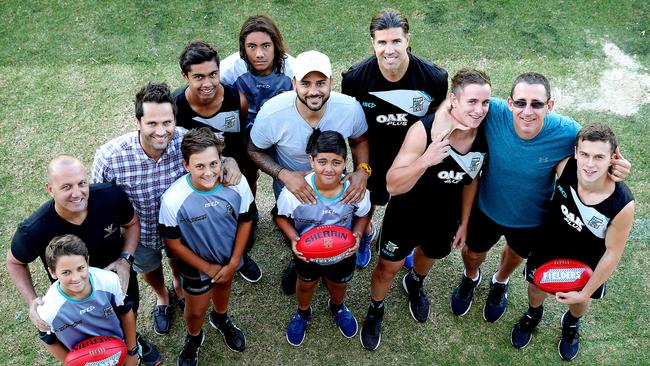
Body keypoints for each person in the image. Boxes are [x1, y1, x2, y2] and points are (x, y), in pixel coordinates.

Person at [448, 73, 631, 323]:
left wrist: (616, 166)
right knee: (472, 253)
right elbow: (455, 105)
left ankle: (500, 281)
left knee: (515, 254)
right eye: (521, 103)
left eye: (537, 104)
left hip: (531, 219)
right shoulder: (491, 111)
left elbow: (596, 150)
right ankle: (471, 277)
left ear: (550, 106)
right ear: (510, 103)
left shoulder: (568, 132)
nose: (527, 111)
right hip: (486, 208)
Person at [92, 82, 242, 336]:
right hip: (141, 234)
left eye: (167, 123)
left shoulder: (185, 139)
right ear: (137, 121)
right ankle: (162, 297)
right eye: (152, 123)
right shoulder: (110, 157)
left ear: (175, 119)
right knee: (149, 269)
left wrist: (231, 161)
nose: (161, 131)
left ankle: (179, 287)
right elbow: (99, 201)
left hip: (182, 230)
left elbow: (214, 156)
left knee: (176, 261)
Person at [360, 68, 491, 350]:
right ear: (453, 101)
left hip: (444, 219)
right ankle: (375, 309)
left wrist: (464, 223)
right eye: (472, 102)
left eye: (484, 103)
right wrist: (426, 159)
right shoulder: (423, 131)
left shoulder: (483, 136)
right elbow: (393, 184)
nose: (479, 110)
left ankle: (415, 283)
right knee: (387, 268)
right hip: (406, 215)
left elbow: (471, 180)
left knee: (428, 257)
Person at [6, 156, 160, 365]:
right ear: (50, 189)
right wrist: (32, 300)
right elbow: (15, 262)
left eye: (82, 183)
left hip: (117, 279)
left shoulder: (109, 196)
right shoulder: (35, 229)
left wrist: (125, 259)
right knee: (88, 336)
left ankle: (133, 343)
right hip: (74, 295)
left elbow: (132, 223)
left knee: (127, 312)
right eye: (66, 187)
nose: (77, 193)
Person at [248, 50, 369, 295]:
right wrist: (283, 174)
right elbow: (254, 150)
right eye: (305, 83)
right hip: (291, 185)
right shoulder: (273, 112)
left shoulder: (349, 108)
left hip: (334, 180)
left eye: (321, 83)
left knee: (337, 223)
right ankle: (303, 265)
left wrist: (362, 170)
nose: (314, 91)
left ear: (331, 84)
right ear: (294, 84)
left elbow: (359, 140)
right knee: (296, 232)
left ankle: (332, 262)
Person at [510, 123, 634, 361]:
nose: (589, 164)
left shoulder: (623, 204)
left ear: (613, 158)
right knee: (536, 286)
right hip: (548, 247)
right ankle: (534, 315)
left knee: (580, 301)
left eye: (599, 157)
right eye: (585, 154)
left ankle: (572, 324)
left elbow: (612, 253)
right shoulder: (565, 167)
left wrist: (584, 292)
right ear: (576, 152)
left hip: (587, 259)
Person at [341, 8, 448, 269]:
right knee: (371, 201)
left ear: (408, 40)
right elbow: (356, 127)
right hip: (375, 156)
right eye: (382, 42)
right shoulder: (355, 79)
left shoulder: (434, 78)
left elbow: (438, 119)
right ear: (373, 43)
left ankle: (405, 242)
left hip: (413, 157)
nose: (390, 50)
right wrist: (362, 167)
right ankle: (367, 235)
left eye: (396, 41)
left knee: (408, 205)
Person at [159, 127, 255, 365]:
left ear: (221, 160)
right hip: (196, 268)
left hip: (229, 259)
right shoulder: (173, 199)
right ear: (186, 165)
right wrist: (208, 268)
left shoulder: (236, 184)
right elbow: (173, 243)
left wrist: (233, 262)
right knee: (194, 311)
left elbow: (246, 221)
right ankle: (194, 337)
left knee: (223, 292)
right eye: (199, 166)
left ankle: (221, 319)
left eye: (213, 164)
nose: (209, 172)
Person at [173, 40, 261, 283]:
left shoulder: (236, 100)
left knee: (243, 210)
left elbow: (240, 137)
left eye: (213, 74)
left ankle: (242, 253)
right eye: (198, 77)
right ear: (185, 76)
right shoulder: (176, 107)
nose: (208, 83)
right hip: (201, 172)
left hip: (234, 164)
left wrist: (239, 167)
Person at [275, 130, 371, 346]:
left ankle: (337, 306)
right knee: (306, 284)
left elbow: (363, 214)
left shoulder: (355, 190)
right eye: (322, 161)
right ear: (311, 160)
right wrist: (293, 239)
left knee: (338, 284)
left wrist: (356, 234)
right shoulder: (296, 191)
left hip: (343, 252)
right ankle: (303, 312)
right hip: (307, 253)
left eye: (336, 162)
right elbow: (280, 217)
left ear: (345, 162)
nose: (329, 168)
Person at [36, 235, 139, 366]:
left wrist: (132, 351)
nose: (76, 278)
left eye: (80, 268)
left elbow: (126, 310)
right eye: (66, 272)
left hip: (119, 347)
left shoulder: (109, 281)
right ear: (52, 272)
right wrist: (72, 363)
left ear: (87, 262)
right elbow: (48, 339)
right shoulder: (49, 309)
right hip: (84, 359)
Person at [220, 14, 294, 132]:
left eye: (266, 46)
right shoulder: (229, 69)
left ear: (275, 45)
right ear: (243, 48)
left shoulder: (293, 70)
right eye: (251, 47)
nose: (259, 54)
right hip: (242, 134)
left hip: (282, 132)